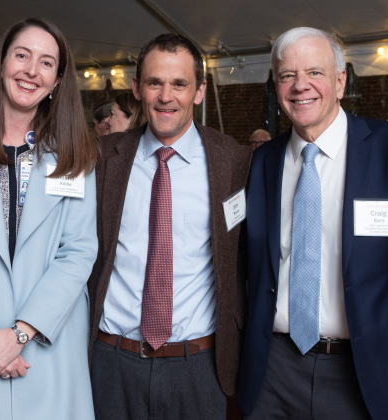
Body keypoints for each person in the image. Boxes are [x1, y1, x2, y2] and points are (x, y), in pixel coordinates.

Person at [88, 33, 252, 420]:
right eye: (155, 83)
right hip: (112, 362)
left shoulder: (235, 162)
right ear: (136, 89)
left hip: (198, 366)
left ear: (199, 91)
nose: (166, 96)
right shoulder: (101, 161)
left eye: (179, 83)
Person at [238, 26, 388, 420]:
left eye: (315, 73)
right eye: (287, 75)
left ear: (340, 82)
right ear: (276, 86)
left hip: (364, 372)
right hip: (272, 371)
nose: (299, 86)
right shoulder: (261, 162)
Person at [0, 17, 99, 420]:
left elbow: (78, 251)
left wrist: (19, 335)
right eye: (22, 55)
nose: (32, 70)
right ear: (1, 62)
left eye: (47, 63)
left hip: (47, 343)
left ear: (58, 80)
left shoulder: (73, 154)